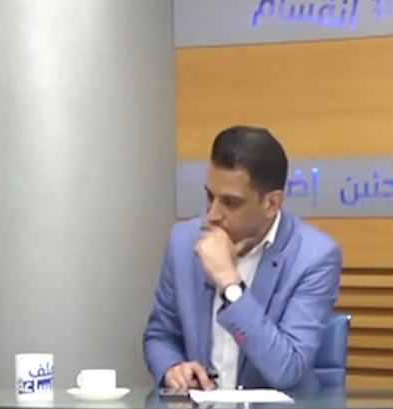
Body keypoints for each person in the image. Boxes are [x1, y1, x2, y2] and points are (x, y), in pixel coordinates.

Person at [142, 126, 342, 392]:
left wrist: (229, 282)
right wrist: (172, 368)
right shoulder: (184, 241)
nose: (213, 215)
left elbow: (287, 369)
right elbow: (160, 335)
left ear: (271, 204)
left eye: (230, 203)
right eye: (210, 196)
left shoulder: (314, 257)